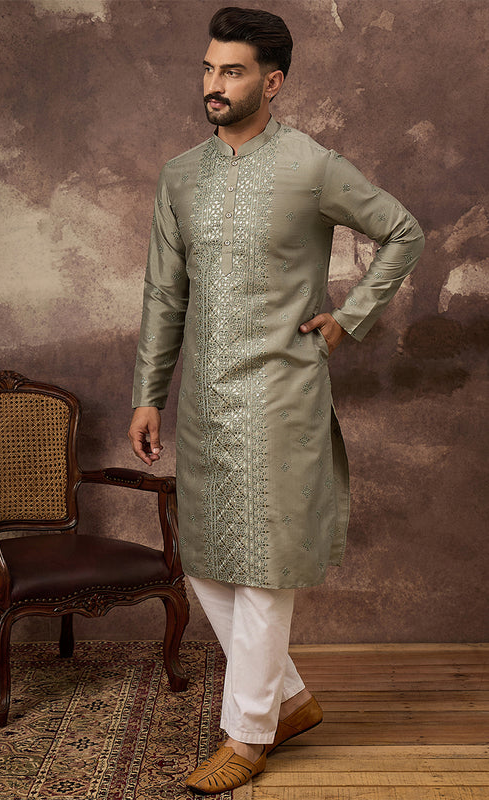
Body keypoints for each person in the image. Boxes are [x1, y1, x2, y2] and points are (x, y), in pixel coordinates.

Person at [129, 6, 424, 794]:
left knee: (262, 567)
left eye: (231, 71)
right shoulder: (179, 175)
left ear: (272, 82)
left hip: (282, 391)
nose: (213, 83)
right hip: (204, 399)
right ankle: (286, 700)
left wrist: (348, 318)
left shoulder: (311, 165)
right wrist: (148, 393)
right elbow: (164, 293)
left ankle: (248, 735)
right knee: (205, 560)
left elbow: (402, 232)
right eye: (208, 68)